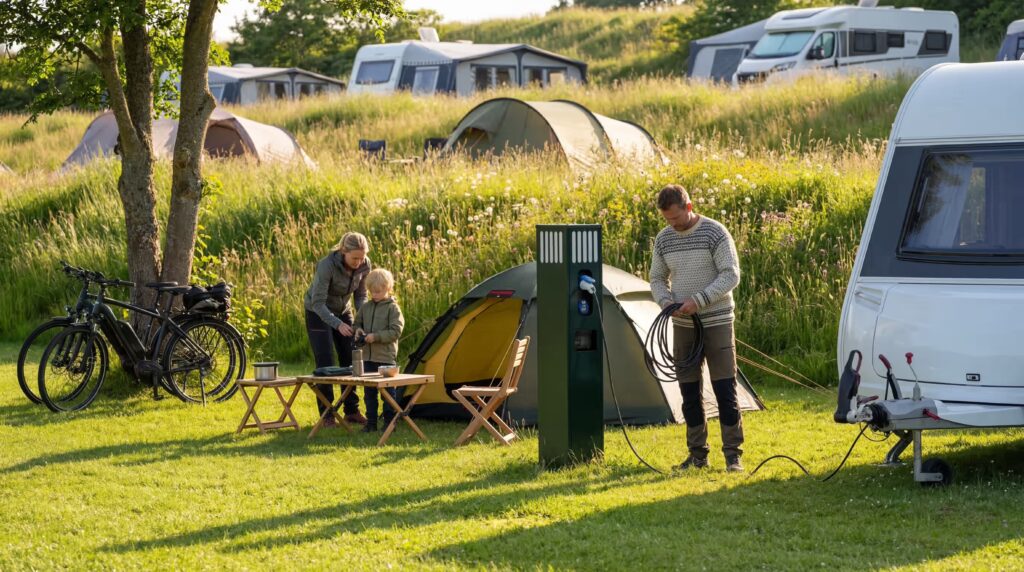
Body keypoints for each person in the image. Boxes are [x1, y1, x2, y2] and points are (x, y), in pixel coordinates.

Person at [650, 184, 745, 473]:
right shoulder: (664, 239)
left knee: (724, 388)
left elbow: (731, 275)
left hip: (716, 321)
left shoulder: (714, 233)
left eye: (676, 218)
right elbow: (656, 278)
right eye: (667, 220)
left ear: (689, 207)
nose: (672, 225)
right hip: (682, 324)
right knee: (688, 390)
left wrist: (698, 300)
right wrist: (666, 302)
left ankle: (733, 456)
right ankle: (697, 455)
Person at [305, 232, 372, 426]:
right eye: (355, 258)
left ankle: (351, 411)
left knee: (351, 358)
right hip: (318, 312)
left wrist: (360, 323)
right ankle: (327, 414)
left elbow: (360, 296)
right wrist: (337, 324)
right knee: (325, 361)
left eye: (362, 257)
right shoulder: (326, 266)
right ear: (343, 251)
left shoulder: (365, 264)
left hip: (343, 311)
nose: (359, 262)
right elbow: (318, 303)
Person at [353, 268, 405, 432]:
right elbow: (357, 323)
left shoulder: (393, 308)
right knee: (369, 393)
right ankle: (371, 423)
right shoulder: (366, 307)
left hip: (386, 358)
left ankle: (390, 423)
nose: (374, 294)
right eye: (371, 292)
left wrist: (376, 337)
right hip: (367, 358)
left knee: (388, 393)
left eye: (378, 291)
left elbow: (395, 331)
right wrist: (358, 331)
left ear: (388, 289)